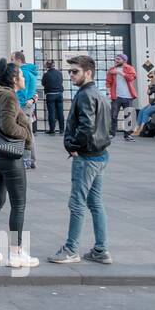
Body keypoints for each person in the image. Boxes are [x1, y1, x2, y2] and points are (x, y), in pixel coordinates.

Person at [48, 55, 112, 264]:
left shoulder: (84, 95)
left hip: (87, 157)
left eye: (75, 71)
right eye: (70, 72)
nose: (71, 75)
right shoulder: (99, 94)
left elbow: (86, 126)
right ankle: (101, 249)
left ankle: (71, 249)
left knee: (77, 203)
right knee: (95, 202)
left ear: (88, 72)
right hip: (100, 154)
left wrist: (73, 146)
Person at [0, 62, 38, 268]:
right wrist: (26, 135)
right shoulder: (9, 96)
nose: (23, 77)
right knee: (18, 204)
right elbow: (8, 126)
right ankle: (16, 252)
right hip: (9, 154)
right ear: (13, 79)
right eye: (20, 74)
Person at [105, 53, 138, 141]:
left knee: (129, 116)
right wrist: (109, 93)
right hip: (116, 96)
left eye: (118, 59)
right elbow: (108, 82)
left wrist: (120, 72)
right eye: (116, 59)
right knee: (113, 115)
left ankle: (128, 135)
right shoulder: (111, 70)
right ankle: (112, 133)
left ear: (124, 60)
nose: (116, 60)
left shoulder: (129, 68)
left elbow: (131, 78)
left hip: (128, 96)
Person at [41, 59, 65, 134]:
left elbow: (43, 83)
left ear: (47, 66)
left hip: (50, 94)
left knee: (51, 113)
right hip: (59, 94)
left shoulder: (46, 74)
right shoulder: (59, 73)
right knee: (60, 112)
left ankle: (52, 129)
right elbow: (61, 81)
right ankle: (62, 129)